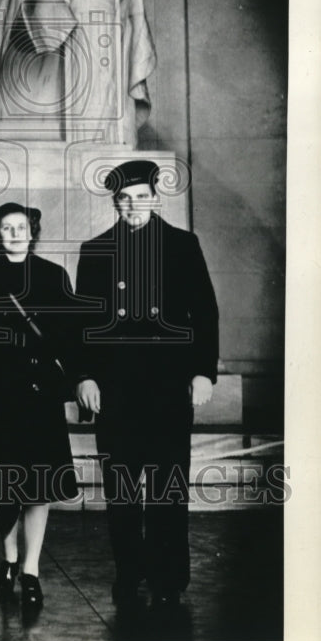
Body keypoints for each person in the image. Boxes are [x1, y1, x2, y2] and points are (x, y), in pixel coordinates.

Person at [75, 159, 219, 613]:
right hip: (115, 390)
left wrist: (202, 372)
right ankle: (128, 570)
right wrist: (84, 376)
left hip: (167, 387)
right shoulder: (96, 249)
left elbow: (205, 313)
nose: (133, 206)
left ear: (156, 197)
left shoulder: (181, 244)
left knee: (166, 487)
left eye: (141, 197)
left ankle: (168, 578)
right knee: (121, 490)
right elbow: (83, 323)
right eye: (124, 199)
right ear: (115, 203)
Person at [0, 202, 80, 612]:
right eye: (6, 228)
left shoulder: (53, 275)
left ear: (33, 231)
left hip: (39, 396)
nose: (13, 233)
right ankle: (9, 560)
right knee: (3, 484)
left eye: (21, 226)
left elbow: (70, 333)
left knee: (38, 487)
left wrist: (64, 380)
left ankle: (31, 569)